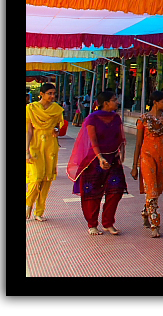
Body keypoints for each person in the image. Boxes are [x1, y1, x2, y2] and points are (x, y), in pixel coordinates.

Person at [67, 90, 127, 236]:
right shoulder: (92, 119)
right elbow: (93, 141)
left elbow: (120, 137)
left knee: (116, 190)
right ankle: (92, 224)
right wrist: (100, 158)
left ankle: (108, 222)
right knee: (92, 193)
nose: (117, 102)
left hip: (113, 159)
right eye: (114, 99)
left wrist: (121, 154)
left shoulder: (116, 118)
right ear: (105, 103)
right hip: (94, 160)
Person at [131, 90, 163, 238]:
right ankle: (155, 224)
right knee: (152, 190)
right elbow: (138, 144)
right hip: (146, 157)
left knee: (156, 189)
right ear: (155, 102)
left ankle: (145, 211)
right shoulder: (143, 119)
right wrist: (134, 166)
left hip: (162, 158)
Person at [26, 83, 65, 221]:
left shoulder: (57, 109)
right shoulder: (31, 108)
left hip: (50, 145)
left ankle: (39, 211)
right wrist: (26, 150)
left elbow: (57, 126)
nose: (52, 96)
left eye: (54, 93)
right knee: (36, 178)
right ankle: (28, 203)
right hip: (35, 145)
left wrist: (56, 130)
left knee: (47, 179)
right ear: (41, 94)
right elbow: (29, 130)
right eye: (49, 93)